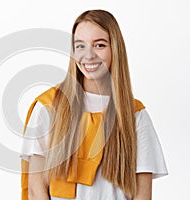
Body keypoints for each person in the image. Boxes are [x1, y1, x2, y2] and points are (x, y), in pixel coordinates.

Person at [20, 9, 168, 200]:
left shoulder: (135, 116)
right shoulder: (49, 108)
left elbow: (142, 195)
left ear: (115, 49)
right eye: (80, 46)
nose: (88, 55)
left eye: (99, 45)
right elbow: (36, 189)